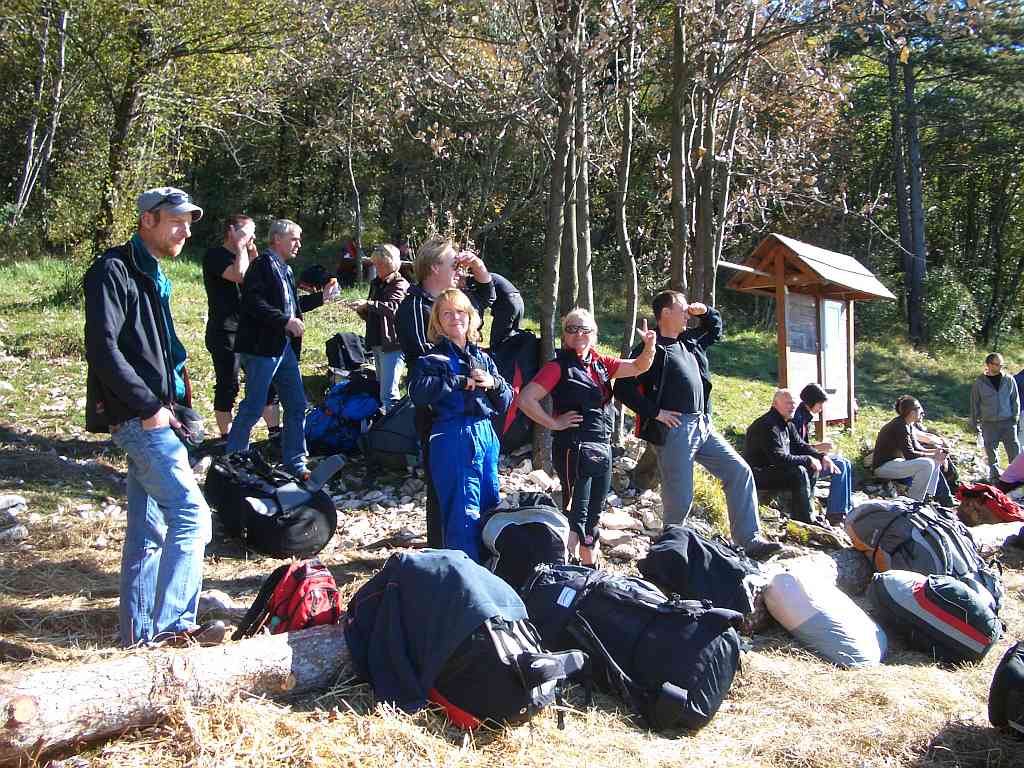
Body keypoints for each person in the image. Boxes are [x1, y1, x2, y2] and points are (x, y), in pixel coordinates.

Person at [83, 186, 224, 648]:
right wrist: (148, 408)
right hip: (140, 418)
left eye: (188, 223)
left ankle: (137, 638)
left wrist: (177, 408)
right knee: (192, 515)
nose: (186, 232)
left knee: (149, 531)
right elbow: (102, 348)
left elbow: (159, 352)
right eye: (177, 222)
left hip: (159, 415)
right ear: (149, 220)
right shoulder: (113, 270)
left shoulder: (152, 274)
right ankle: (174, 628)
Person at [614, 290, 781, 559]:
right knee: (681, 497)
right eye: (682, 310)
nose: (686, 315)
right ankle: (669, 553)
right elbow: (622, 388)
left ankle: (749, 542)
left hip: (703, 424)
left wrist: (706, 312)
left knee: (739, 472)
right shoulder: (651, 347)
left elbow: (714, 330)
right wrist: (655, 413)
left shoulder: (689, 341)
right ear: (665, 313)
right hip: (675, 428)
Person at [518, 308, 656, 565]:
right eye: (572, 329)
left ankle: (588, 569)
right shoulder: (557, 367)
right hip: (574, 449)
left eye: (585, 329)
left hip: (601, 448)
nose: (579, 334)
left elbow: (639, 366)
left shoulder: (601, 363)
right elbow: (526, 399)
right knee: (575, 514)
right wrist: (554, 423)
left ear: (594, 334)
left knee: (594, 515)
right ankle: (564, 569)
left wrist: (649, 346)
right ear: (564, 335)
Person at [396, 236, 495, 547]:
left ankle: (475, 552)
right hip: (436, 412)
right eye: (455, 264)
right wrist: (460, 376)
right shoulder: (414, 306)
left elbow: (487, 297)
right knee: (444, 488)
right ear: (435, 267)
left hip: (474, 416)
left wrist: (478, 266)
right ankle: (443, 551)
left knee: (482, 495)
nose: (459, 270)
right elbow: (425, 358)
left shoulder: (453, 302)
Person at [225, 219, 336, 478]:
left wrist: (321, 298)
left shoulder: (285, 269)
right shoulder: (261, 266)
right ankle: (234, 461)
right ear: (277, 239)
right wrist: (285, 321)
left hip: (283, 347)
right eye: (294, 238)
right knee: (254, 406)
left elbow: (293, 307)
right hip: (261, 347)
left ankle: (295, 462)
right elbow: (252, 303)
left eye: (299, 239)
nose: (299, 244)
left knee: (296, 405)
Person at [408, 288, 512, 561]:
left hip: (486, 434)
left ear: (470, 317)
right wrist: (457, 381)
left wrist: (493, 383)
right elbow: (418, 392)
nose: (455, 318)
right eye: (447, 313)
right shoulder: (430, 360)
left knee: (490, 508)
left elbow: (506, 401)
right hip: (453, 434)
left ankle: (489, 575)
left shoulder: (484, 359)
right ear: (438, 323)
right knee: (463, 515)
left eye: (460, 312)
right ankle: (465, 579)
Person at [202, 215, 280, 440]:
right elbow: (240, 275)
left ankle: (274, 432)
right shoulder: (215, 256)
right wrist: (240, 247)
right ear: (231, 231)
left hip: (250, 330)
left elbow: (261, 280)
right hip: (224, 330)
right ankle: (226, 437)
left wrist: (252, 251)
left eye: (254, 233)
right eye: (247, 232)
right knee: (229, 384)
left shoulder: (248, 254)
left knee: (266, 381)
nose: (252, 237)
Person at [744, 388, 839, 526]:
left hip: (774, 469)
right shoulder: (768, 424)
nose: (793, 406)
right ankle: (805, 520)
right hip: (758, 473)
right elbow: (778, 458)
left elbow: (801, 445)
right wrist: (808, 459)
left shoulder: (787, 422)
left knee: (811, 468)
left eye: (794, 403)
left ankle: (807, 513)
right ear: (775, 404)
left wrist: (821, 456)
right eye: (788, 403)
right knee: (799, 471)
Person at [348, 244, 410, 413]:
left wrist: (368, 304)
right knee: (382, 389)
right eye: (375, 264)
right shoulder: (376, 283)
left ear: (390, 263)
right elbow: (374, 314)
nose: (377, 268)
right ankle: (384, 423)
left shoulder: (400, 283)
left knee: (389, 394)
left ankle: (395, 425)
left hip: (393, 344)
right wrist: (361, 309)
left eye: (380, 264)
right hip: (377, 341)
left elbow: (393, 308)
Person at [872, 395, 953, 503]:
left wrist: (938, 452)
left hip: (895, 463)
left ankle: (928, 496)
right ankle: (914, 500)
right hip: (883, 467)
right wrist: (933, 455)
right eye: (920, 410)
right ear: (912, 412)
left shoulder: (908, 425)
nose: (922, 413)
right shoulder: (899, 426)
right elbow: (910, 455)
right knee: (927, 463)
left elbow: (918, 448)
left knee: (935, 460)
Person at [792, 383, 854, 524]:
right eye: (820, 404)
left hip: (806, 457)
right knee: (839, 465)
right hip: (801, 463)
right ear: (812, 401)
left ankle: (845, 508)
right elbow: (797, 448)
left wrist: (818, 448)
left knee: (845, 462)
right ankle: (836, 513)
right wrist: (818, 447)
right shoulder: (797, 419)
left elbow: (802, 444)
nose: (821, 408)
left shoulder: (803, 416)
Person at [970, 352, 1020, 480]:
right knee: (991, 451)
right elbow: (975, 403)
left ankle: (1017, 476)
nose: (1000, 367)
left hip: (1008, 421)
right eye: (997, 364)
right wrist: (974, 422)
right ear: (988, 364)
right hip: (988, 423)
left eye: (1001, 364)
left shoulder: (1009, 379)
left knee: (1014, 450)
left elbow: (1015, 400)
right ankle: (995, 477)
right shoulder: (979, 383)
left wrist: (1015, 417)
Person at [462, 271, 524, 348]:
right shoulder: (484, 276)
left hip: (507, 304)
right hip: (519, 301)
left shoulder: (476, 280)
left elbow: (484, 302)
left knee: (497, 340)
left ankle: (497, 353)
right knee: (512, 336)